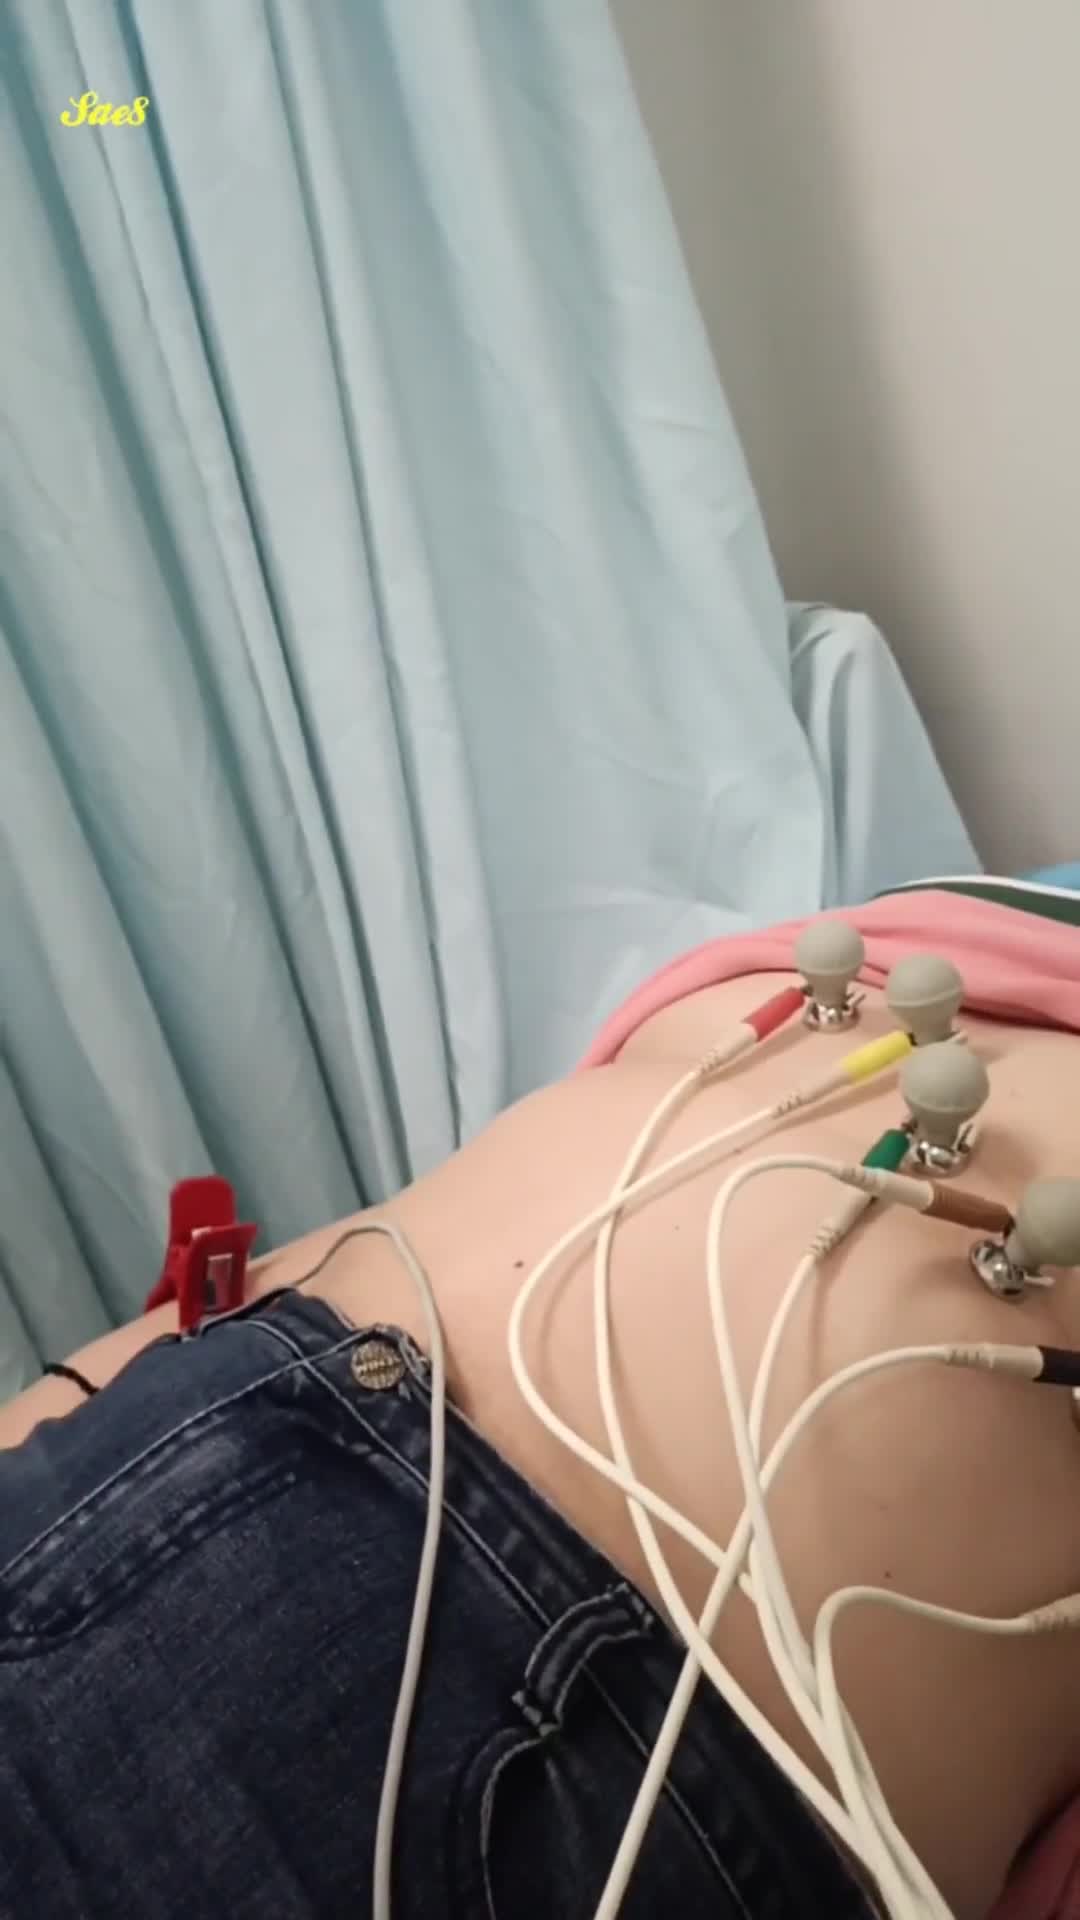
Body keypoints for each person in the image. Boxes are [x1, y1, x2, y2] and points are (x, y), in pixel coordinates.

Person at [4, 877, 1080, 1920]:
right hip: (221, 1433)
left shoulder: (852, 962)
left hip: (204, 1447)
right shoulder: (863, 956)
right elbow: (228, 1306)